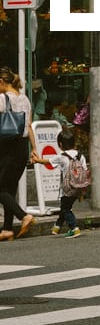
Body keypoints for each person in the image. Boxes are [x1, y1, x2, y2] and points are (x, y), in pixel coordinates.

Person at [0, 66, 37, 241]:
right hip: (22, 148)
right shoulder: (25, 99)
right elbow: (28, 125)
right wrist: (34, 148)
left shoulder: (2, 98)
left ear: (2, 82)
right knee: (9, 188)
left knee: (1, 188)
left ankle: (24, 216)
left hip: (7, 148)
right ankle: (7, 229)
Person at [32, 130, 86, 238]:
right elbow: (85, 170)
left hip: (67, 188)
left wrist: (37, 160)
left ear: (60, 144)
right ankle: (57, 226)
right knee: (65, 207)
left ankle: (74, 228)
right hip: (79, 187)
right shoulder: (81, 156)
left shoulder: (62, 156)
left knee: (66, 209)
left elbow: (48, 161)